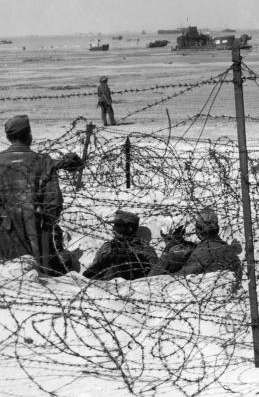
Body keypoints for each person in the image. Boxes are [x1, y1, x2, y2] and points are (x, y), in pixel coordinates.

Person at [0, 115, 67, 274]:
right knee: (40, 275)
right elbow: (53, 202)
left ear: (9, 137)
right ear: (29, 134)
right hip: (37, 231)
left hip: (4, 232)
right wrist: (48, 225)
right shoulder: (42, 161)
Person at [83, 210, 158, 280]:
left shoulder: (144, 249)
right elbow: (92, 271)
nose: (114, 228)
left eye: (118, 225)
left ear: (130, 228)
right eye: (114, 225)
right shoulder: (107, 247)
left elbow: (156, 275)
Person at [177, 208, 243, 285]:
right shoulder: (229, 251)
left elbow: (178, 279)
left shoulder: (201, 253)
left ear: (198, 230)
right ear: (217, 229)